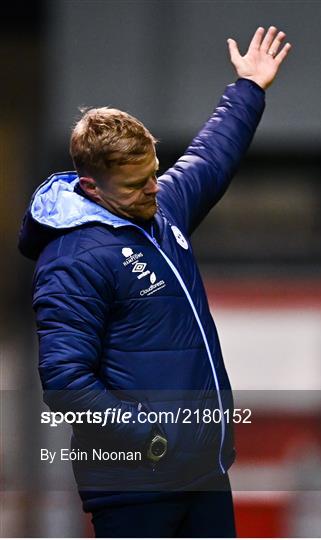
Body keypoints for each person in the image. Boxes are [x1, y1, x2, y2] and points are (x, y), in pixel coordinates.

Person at [19, 26, 291, 538]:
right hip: (138, 488)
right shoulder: (72, 258)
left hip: (203, 474)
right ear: (90, 186)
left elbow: (210, 157)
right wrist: (152, 437)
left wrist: (249, 89)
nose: (152, 188)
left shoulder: (158, 210)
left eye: (154, 173)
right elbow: (64, 380)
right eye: (136, 183)